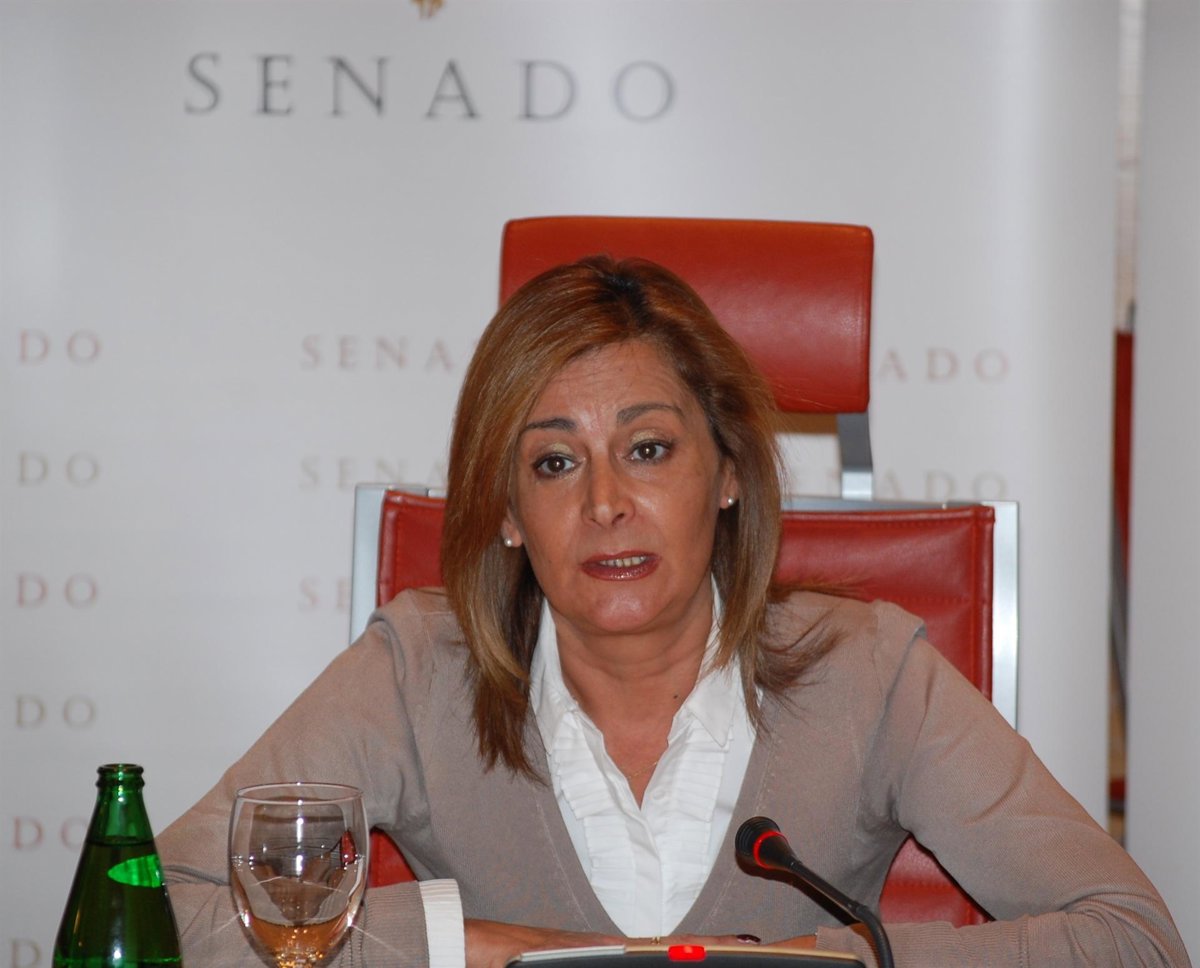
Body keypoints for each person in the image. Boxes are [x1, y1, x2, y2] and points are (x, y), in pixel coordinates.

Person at [159, 256, 1190, 968]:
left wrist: (828, 962)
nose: (605, 502)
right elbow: (151, 910)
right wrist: (457, 946)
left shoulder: (868, 671)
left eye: (647, 448)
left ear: (729, 472)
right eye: (554, 462)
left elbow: (1134, 939)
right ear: (508, 513)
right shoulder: (417, 668)